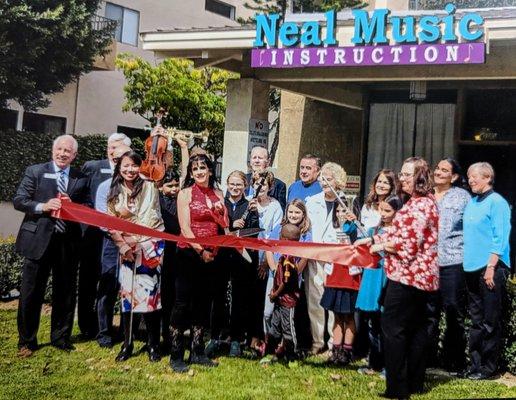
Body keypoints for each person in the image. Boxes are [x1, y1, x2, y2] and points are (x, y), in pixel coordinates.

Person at [358, 157, 439, 399]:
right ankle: (413, 383)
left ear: (420, 178)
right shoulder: (418, 202)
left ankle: (396, 388)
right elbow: (398, 233)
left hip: (408, 276)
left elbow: (406, 245)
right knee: (413, 330)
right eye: (402, 174)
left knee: (393, 329)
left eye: (407, 174)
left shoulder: (419, 206)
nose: (401, 178)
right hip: (417, 277)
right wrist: (373, 240)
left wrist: (377, 247)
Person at [14, 135, 89, 357]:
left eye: (68, 151)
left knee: (65, 292)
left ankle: (60, 337)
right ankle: (27, 341)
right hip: (38, 241)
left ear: (74, 155)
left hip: (68, 242)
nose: (63, 153)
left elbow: (88, 206)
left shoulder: (80, 178)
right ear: (53, 150)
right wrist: (43, 206)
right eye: (60, 149)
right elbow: (19, 200)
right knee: (31, 292)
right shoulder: (35, 171)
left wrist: (73, 206)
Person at [169, 154, 228, 373]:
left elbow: (224, 224)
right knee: (182, 303)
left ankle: (197, 350)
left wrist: (221, 214)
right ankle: (176, 354)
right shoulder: (185, 194)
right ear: (191, 173)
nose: (200, 172)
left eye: (203, 167)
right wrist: (200, 250)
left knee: (204, 303)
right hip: (189, 254)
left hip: (212, 255)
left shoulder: (219, 194)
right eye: (195, 169)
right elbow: (185, 228)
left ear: (210, 170)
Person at [107, 151, 164, 363]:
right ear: (119, 167)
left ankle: (153, 344)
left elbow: (151, 217)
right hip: (127, 249)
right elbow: (112, 222)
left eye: (134, 166)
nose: (130, 170)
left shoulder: (149, 186)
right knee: (128, 299)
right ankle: (127, 343)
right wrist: (123, 246)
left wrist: (141, 243)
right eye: (126, 166)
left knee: (150, 298)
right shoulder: (114, 190)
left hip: (150, 246)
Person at [78, 133, 132, 339]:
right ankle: (95, 329)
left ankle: (125, 331)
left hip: (129, 240)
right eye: (110, 147)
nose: (112, 152)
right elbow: (84, 199)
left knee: (123, 284)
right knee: (96, 282)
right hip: (99, 235)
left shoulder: (137, 177)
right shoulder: (93, 168)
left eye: (118, 149)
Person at [463, 162, 511, 380]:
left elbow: (500, 237)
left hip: (490, 267)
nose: (470, 180)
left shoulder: (497, 202)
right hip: (471, 268)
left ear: (487, 177)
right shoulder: (472, 202)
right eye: (469, 176)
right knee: (476, 320)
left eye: (474, 176)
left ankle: (488, 368)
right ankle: (475, 365)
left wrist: (491, 267)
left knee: (490, 320)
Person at [207, 171, 260, 358]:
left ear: (245, 186)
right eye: (232, 184)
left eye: (239, 185)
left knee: (239, 299)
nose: (235, 188)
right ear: (227, 184)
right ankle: (215, 337)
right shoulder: (222, 205)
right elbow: (215, 229)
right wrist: (230, 226)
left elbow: (254, 233)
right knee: (218, 297)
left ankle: (236, 339)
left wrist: (243, 227)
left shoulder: (250, 206)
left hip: (241, 259)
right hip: (221, 257)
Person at [427, 158, 471, 372]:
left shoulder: (462, 197)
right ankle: (428, 359)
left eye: (444, 170)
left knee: (453, 310)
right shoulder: (426, 195)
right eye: (437, 168)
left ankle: (454, 361)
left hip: (453, 260)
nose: (438, 172)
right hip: (428, 262)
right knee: (429, 311)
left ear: (454, 177)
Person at [355, 195, 403, 376]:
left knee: (386, 324)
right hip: (372, 275)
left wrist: (381, 246)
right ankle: (374, 362)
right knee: (371, 322)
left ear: (397, 213)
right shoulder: (373, 230)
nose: (383, 214)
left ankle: (387, 365)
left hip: (387, 275)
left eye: (387, 211)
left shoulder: (400, 232)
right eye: (381, 210)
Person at [305, 162, 347, 354]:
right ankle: (317, 342)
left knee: (332, 301)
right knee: (314, 300)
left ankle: (333, 344)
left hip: (335, 257)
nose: (324, 182)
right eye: (322, 178)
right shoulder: (312, 201)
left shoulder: (346, 202)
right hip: (314, 256)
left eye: (328, 179)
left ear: (337, 182)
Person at [94, 143, 132, 348]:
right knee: (108, 287)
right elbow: (103, 220)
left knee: (133, 288)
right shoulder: (104, 187)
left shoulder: (140, 186)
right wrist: (120, 239)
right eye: (118, 161)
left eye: (127, 162)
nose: (124, 167)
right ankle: (104, 332)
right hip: (111, 243)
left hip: (135, 243)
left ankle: (128, 333)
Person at [265, 199, 312, 353]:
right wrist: (273, 268)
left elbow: (305, 255)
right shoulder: (279, 228)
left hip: (290, 282)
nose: (293, 215)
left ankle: (289, 350)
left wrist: (295, 273)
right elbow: (268, 247)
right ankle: (271, 345)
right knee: (269, 313)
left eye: (297, 212)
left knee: (288, 319)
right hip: (275, 275)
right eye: (291, 211)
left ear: (303, 214)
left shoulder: (305, 233)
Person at [320, 197, 361, 365]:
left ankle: (347, 351)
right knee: (336, 314)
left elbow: (356, 238)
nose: (340, 214)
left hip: (350, 275)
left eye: (343, 210)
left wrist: (353, 222)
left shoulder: (355, 227)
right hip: (334, 273)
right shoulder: (331, 227)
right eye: (337, 211)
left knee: (348, 315)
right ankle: (336, 350)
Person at [250, 170, 283, 342]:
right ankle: (250, 335)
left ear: (270, 187)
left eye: (264, 184)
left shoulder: (275, 206)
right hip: (249, 255)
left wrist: (264, 261)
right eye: (257, 183)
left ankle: (263, 336)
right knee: (250, 297)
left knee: (263, 298)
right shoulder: (250, 203)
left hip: (266, 258)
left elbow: (273, 235)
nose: (260, 186)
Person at [266, 224, 303, 362]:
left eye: (280, 236)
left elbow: (286, 282)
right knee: (275, 326)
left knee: (288, 328)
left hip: (287, 301)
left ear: (285, 239)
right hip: (279, 300)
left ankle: (292, 355)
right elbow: (278, 277)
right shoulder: (283, 256)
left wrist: (275, 294)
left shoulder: (289, 260)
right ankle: (272, 352)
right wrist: (273, 291)